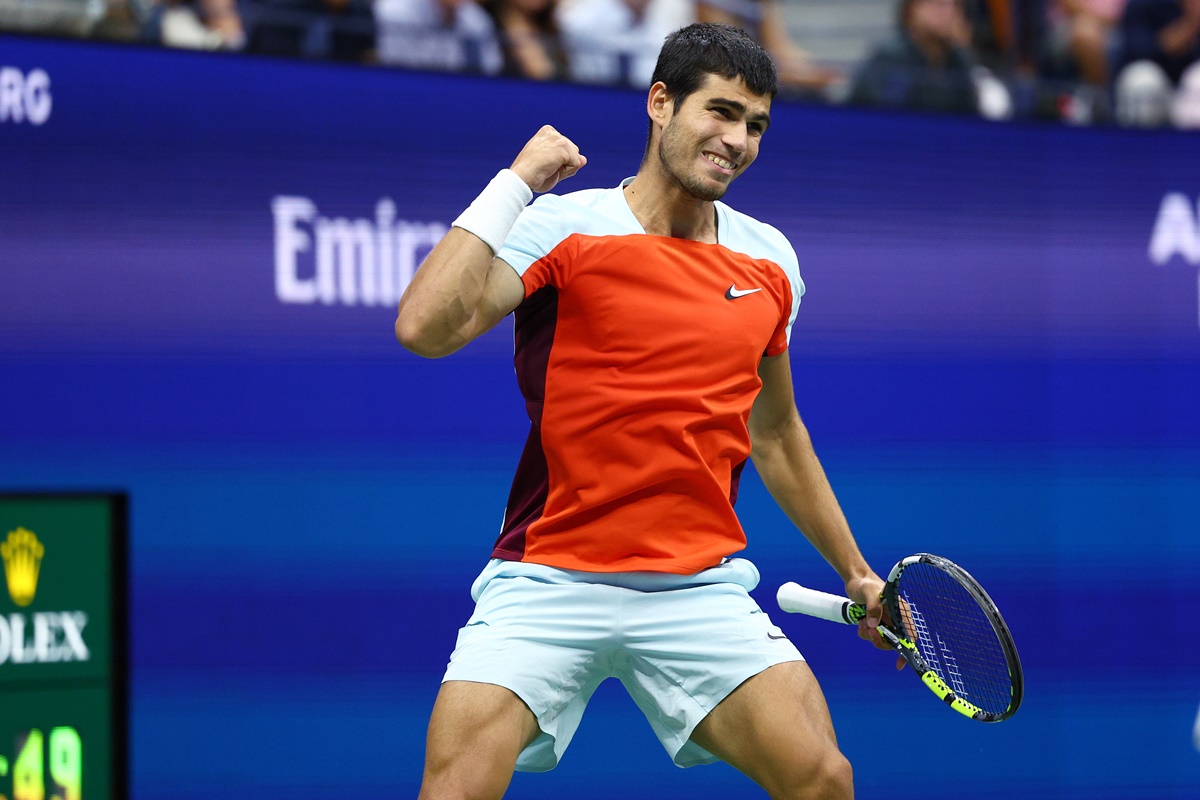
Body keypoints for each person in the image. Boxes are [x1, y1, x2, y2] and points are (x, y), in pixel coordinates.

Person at [395, 22, 895, 799]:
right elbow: (423, 328)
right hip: (549, 577)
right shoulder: (562, 228)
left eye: (755, 125)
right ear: (660, 103)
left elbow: (776, 432)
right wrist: (516, 182)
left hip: (698, 586)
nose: (737, 140)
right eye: (720, 112)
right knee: (454, 789)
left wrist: (857, 574)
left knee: (823, 778)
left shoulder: (771, 261)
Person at [849, 0, 1004, 116]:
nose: (947, 13)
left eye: (954, 6)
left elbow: (972, 114)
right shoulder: (890, 57)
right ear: (911, 10)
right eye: (937, 4)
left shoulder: (960, 59)